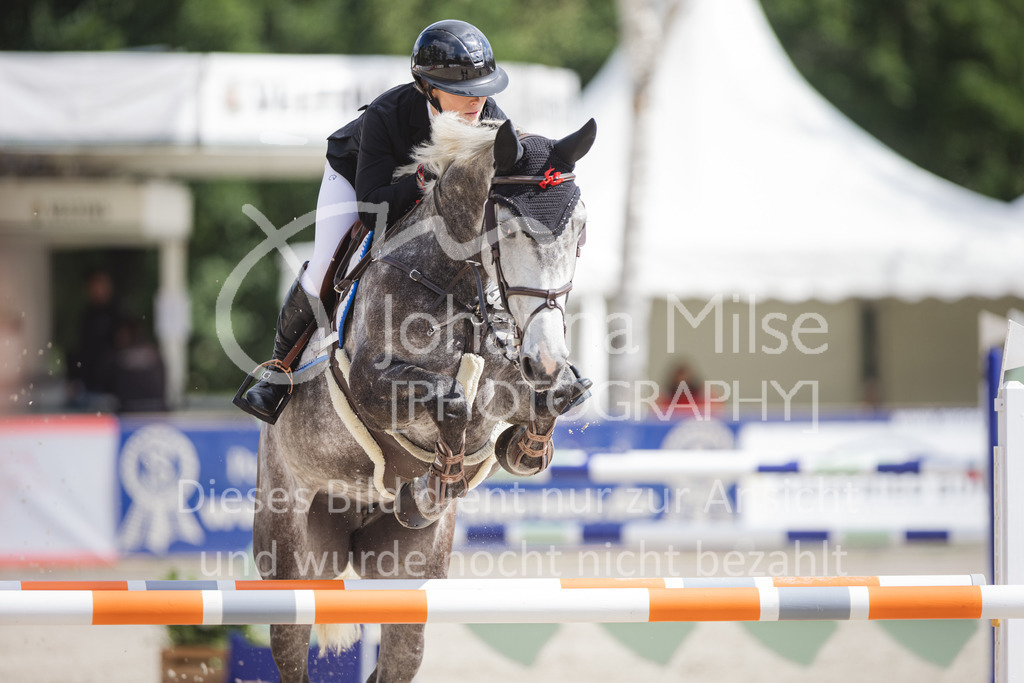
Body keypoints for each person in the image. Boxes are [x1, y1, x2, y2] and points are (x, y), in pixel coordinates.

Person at [234, 19, 509, 423]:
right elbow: (372, 207)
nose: (477, 103)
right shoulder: (387, 114)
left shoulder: (491, 120)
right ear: (428, 88)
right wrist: (425, 177)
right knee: (326, 263)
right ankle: (279, 372)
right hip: (359, 183)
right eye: (464, 92)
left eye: (482, 92)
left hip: (430, 205)